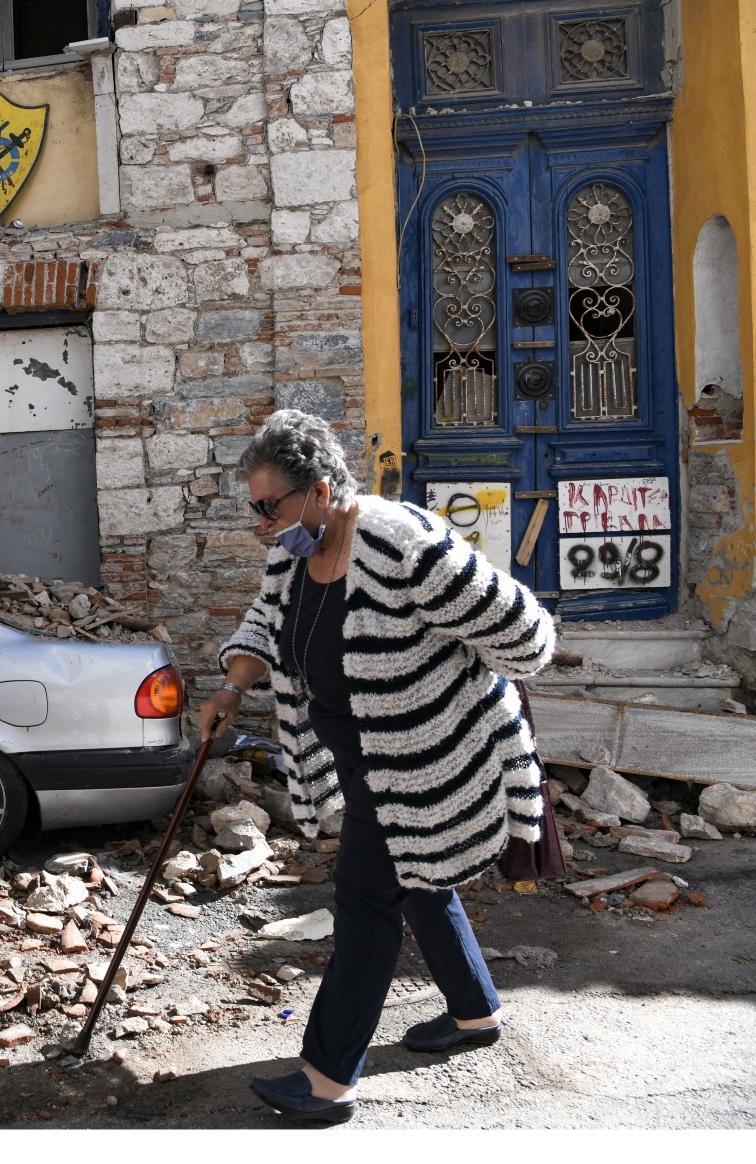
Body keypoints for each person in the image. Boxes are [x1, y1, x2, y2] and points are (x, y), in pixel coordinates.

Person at [198, 409, 556, 1124]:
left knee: (364, 907)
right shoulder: (295, 551)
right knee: (421, 885)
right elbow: (267, 621)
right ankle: (475, 1012)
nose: (262, 523)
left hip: (420, 770)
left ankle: (329, 1080)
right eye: (254, 510)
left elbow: (526, 634)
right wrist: (233, 686)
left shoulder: (404, 544)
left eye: (270, 506)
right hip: (363, 764)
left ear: (323, 491)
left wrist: (462, 683)